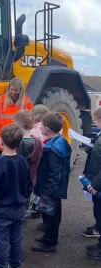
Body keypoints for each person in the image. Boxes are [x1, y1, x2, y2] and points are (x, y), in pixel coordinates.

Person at [0, 124, 33, 268]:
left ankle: (0, 265)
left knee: (0, 242)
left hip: (1, 210)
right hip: (19, 208)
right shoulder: (23, 161)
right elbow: (29, 185)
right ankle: (15, 264)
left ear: (1, 142)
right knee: (16, 240)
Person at [32, 112, 71, 253]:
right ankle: (48, 236)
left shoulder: (52, 149)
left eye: (42, 126)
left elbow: (54, 172)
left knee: (51, 215)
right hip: (53, 188)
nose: (40, 128)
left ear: (48, 128)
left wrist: (48, 191)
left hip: (51, 189)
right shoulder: (59, 141)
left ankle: (49, 242)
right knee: (49, 214)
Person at [0, 77, 33, 157]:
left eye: (16, 90)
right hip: (1, 143)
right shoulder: (0, 100)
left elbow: (31, 119)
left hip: (18, 142)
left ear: (21, 91)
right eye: (11, 89)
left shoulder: (26, 102)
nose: (13, 92)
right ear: (9, 88)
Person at [14, 110, 43, 219]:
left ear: (18, 124)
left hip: (19, 179)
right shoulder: (38, 142)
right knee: (28, 200)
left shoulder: (17, 143)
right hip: (32, 177)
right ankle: (25, 215)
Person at [82, 107, 101, 261]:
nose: (94, 122)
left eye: (95, 120)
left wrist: (95, 184)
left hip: (98, 182)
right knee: (98, 213)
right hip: (96, 178)